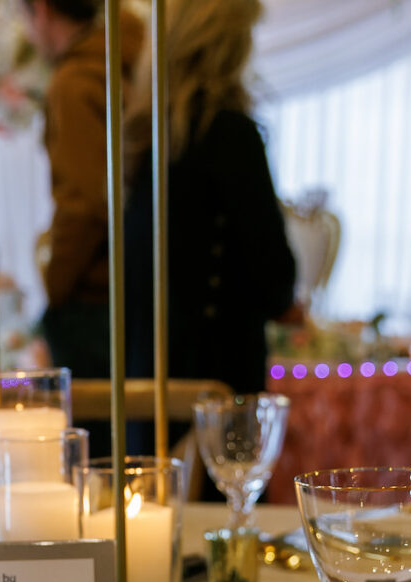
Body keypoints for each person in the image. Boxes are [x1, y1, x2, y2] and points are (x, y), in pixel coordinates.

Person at [124, 0, 295, 395]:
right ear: (228, 45)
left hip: (147, 381)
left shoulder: (146, 140)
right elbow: (276, 281)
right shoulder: (231, 136)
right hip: (217, 387)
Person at [26, 0, 140, 379]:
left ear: (42, 10)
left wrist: (56, 287)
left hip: (97, 294)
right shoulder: (133, 62)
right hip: (142, 281)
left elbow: (83, 202)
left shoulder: (74, 82)